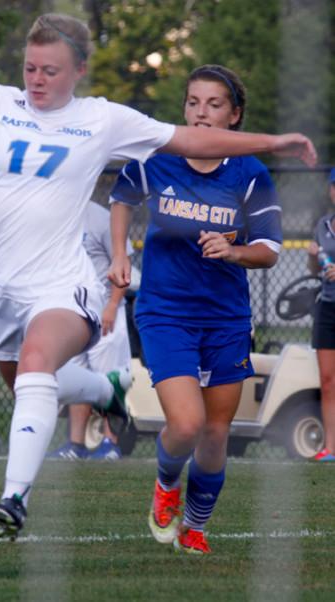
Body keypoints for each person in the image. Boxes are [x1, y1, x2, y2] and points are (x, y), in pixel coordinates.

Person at [0, 12, 315, 541]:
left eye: (51, 70)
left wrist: (273, 143)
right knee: (24, 383)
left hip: (67, 282)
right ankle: (105, 388)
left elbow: (193, 143)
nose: (37, 79)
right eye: (30, 68)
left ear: (79, 70)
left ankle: (14, 497)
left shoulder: (103, 119)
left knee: (51, 367)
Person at [109, 64, 284, 554]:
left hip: (226, 318)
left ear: (235, 116)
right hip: (165, 312)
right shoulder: (158, 157)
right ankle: (166, 484)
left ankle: (196, 526)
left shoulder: (251, 173)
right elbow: (121, 197)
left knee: (214, 431)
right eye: (192, 102)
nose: (200, 113)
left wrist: (233, 251)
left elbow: (269, 248)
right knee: (184, 425)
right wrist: (121, 253)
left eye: (213, 104)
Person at [49, 201, 133, 461]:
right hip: (71, 312)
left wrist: (111, 306)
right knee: (77, 376)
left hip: (105, 310)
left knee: (110, 378)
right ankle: (76, 444)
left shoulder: (101, 218)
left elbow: (122, 262)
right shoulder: (57, 214)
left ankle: (111, 443)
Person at [306, 167, 335, 462]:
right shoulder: (322, 225)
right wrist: (312, 256)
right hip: (327, 307)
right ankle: (331, 448)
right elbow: (313, 272)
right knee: (328, 382)